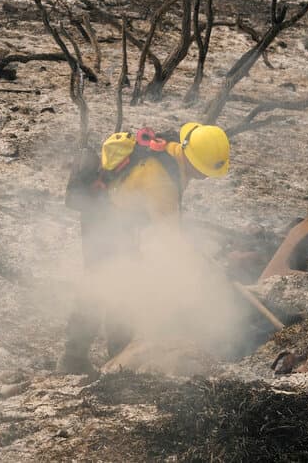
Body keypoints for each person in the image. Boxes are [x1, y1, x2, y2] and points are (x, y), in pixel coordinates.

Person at [57, 122, 231, 374]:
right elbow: (170, 238)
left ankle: (118, 351)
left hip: (123, 219)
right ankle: (73, 358)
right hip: (104, 217)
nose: (206, 176)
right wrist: (200, 270)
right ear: (192, 159)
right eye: (204, 170)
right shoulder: (160, 181)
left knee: (126, 281)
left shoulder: (173, 150)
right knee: (99, 284)